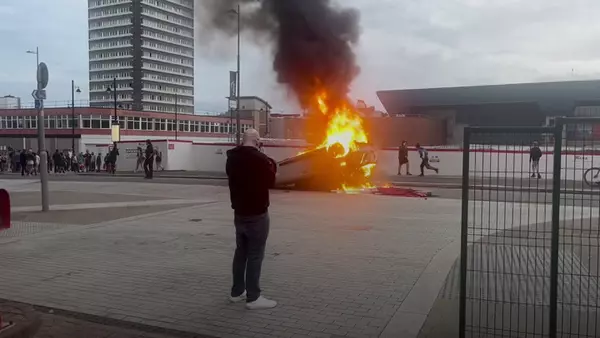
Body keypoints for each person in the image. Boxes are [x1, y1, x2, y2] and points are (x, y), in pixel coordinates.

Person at [226, 129, 278, 310]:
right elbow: (271, 181)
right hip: (257, 213)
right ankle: (253, 297)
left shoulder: (231, 158)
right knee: (255, 255)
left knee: (241, 253)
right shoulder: (260, 160)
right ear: (257, 141)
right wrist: (266, 158)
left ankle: (236, 292)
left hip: (239, 213)